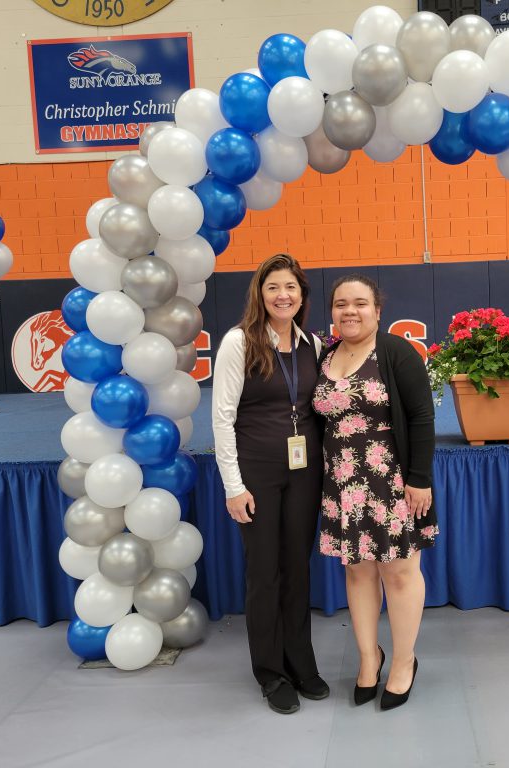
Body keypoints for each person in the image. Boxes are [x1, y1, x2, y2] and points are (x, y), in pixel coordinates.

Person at [312, 274, 437, 710]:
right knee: (358, 572)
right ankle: (369, 658)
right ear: (332, 312)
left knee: (400, 574)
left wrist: (419, 479)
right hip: (342, 484)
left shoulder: (396, 352)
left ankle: (404, 661)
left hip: (392, 483)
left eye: (360, 303)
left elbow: (421, 417)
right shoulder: (326, 355)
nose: (350, 311)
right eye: (341, 303)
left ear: (378, 311)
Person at [212, 254, 328, 715]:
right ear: (260, 294)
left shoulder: (313, 344)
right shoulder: (239, 342)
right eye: (273, 287)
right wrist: (233, 487)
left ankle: (300, 662)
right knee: (265, 573)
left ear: (302, 296)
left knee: (298, 570)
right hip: (256, 472)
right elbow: (222, 420)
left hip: (304, 471)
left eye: (291, 288)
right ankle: (270, 671)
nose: (283, 295)